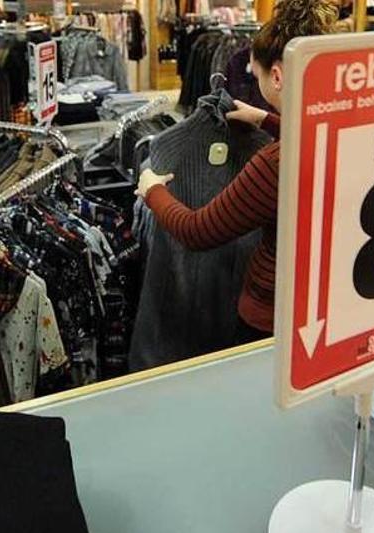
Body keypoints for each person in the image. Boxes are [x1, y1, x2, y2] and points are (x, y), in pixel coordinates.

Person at [135, 0, 338, 343]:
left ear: (277, 76)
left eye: (254, 73)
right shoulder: (340, 132)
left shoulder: (276, 162)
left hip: (272, 317)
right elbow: (306, 139)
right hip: (327, 303)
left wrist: (152, 188)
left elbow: (197, 231)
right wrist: (267, 120)